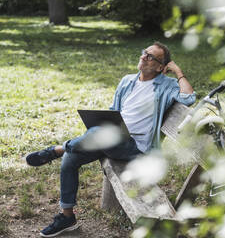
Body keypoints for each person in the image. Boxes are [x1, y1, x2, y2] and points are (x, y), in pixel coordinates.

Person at [26, 42, 196, 237]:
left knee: (99, 136)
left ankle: (57, 149)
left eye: (150, 57)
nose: (143, 57)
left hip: (136, 147)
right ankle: (67, 217)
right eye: (144, 52)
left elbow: (188, 98)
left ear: (160, 67)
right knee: (70, 160)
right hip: (110, 138)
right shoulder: (127, 81)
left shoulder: (166, 85)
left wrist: (178, 71)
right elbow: (114, 111)